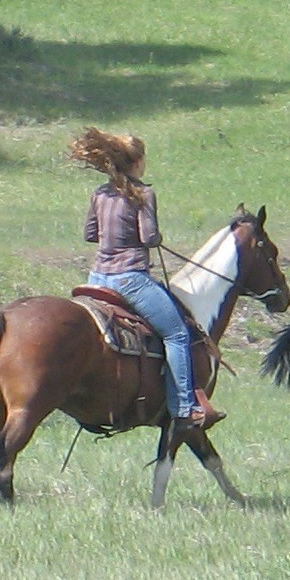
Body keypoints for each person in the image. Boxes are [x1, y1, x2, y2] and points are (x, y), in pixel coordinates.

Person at [72, 128, 219, 430]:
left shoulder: (100, 193)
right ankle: (184, 407)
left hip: (97, 277)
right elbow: (149, 237)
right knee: (177, 334)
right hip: (130, 279)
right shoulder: (143, 193)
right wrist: (157, 237)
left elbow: (89, 234)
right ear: (137, 161)